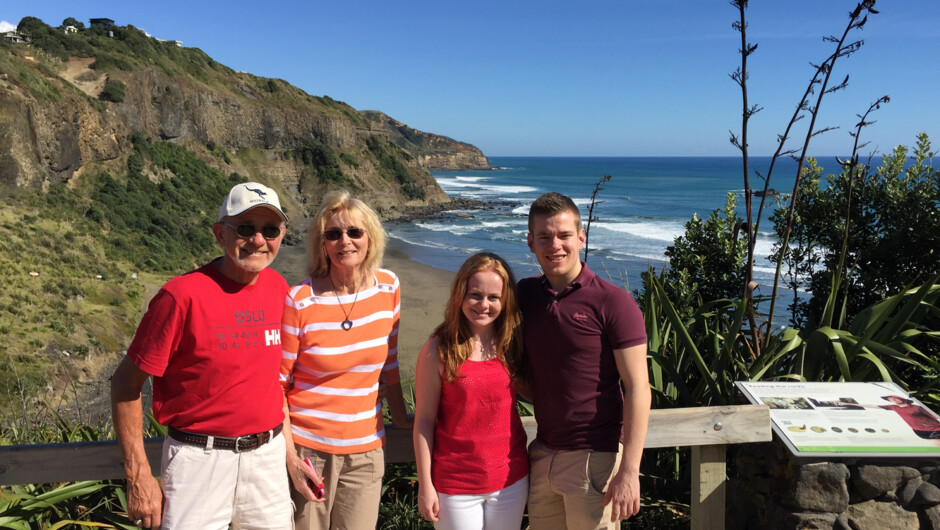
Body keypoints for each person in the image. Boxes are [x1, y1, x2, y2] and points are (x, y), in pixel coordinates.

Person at [111, 181, 292, 529]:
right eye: (244, 228)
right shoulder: (180, 296)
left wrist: (290, 456)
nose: (258, 239)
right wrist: (138, 475)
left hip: (267, 459)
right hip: (199, 462)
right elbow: (124, 385)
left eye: (270, 229)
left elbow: (271, 382)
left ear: (281, 234)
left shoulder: (279, 288)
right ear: (219, 234)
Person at [280, 189, 412, 529]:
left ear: (371, 237)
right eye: (334, 234)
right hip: (311, 452)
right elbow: (277, 385)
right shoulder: (300, 300)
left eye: (355, 232)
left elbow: (391, 364)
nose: (345, 241)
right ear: (322, 243)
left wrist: (402, 419)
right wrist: (292, 457)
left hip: (367, 452)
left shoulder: (389, 288)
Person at [518, 192, 651, 529]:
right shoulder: (526, 296)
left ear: (581, 237)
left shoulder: (613, 302)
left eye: (564, 235)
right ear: (531, 242)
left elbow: (638, 387)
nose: (555, 245)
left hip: (596, 459)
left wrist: (629, 471)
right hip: (542, 453)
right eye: (545, 237)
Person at [413, 252, 530, 530]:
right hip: (455, 485)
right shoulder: (438, 349)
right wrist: (425, 484)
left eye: (494, 297)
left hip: (510, 480)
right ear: (460, 294)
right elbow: (424, 421)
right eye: (475, 295)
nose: (484, 305)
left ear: (505, 301)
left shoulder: (512, 343)